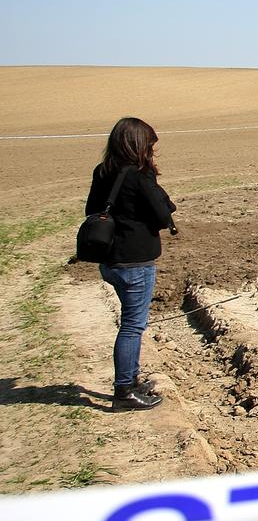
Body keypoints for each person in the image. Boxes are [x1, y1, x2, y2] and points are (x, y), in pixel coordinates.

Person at [85, 117, 176, 411]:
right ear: (138, 145)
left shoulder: (103, 172)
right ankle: (124, 391)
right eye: (149, 145)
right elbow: (162, 215)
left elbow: (91, 210)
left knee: (130, 324)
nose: (152, 151)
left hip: (110, 260)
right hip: (135, 262)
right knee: (132, 327)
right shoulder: (138, 176)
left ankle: (131, 381)